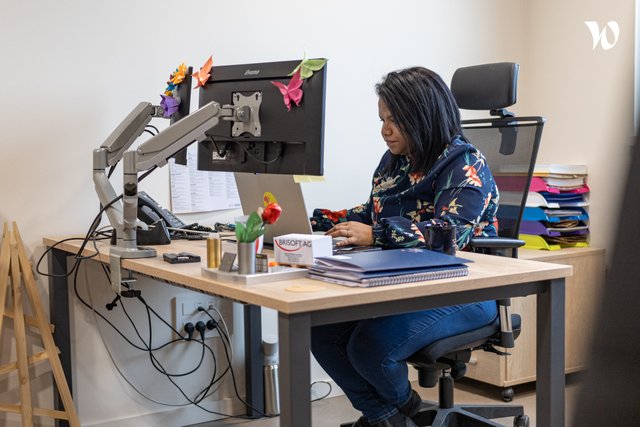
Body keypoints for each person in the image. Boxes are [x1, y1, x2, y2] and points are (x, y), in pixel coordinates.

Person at [309, 67, 500, 427]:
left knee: (370, 347)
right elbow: (371, 213)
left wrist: (375, 235)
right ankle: (391, 415)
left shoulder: (465, 165)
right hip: (407, 284)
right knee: (322, 330)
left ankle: (402, 414)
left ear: (423, 117)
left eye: (395, 120)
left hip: (469, 291)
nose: (385, 130)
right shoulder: (394, 162)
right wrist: (315, 223)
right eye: (382, 119)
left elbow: (449, 234)